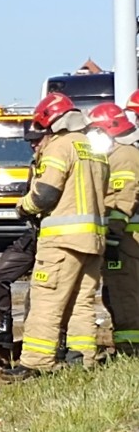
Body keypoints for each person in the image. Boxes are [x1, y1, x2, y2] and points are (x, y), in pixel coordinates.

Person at [3, 92, 108, 378]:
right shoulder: (93, 147)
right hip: (92, 241)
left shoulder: (60, 147)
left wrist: (23, 207)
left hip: (62, 240)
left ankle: (37, 362)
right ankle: (83, 359)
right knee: (81, 301)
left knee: (46, 299)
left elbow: (46, 193)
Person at [0, 126, 46, 348]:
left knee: (44, 293)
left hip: (54, 237)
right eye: (31, 142)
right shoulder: (36, 165)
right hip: (35, 233)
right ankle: (4, 326)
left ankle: (59, 341)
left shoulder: (57, 160)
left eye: (37, 140)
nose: (34, 145)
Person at [87, 102, 139, 355]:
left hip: (126, 239)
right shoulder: (117, 154)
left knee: (122, 293)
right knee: (116, 293)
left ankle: (130, 349)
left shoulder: (123, 157)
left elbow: (123, 199)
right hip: (125, 237)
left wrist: (114, 235)